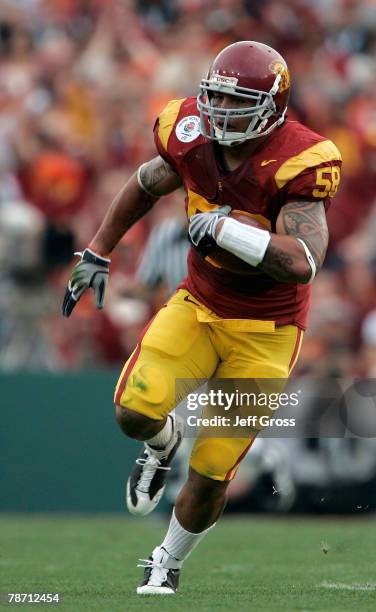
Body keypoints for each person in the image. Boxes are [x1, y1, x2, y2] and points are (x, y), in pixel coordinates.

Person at [62, 41, 342, 595]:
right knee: (133, 411)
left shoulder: (300, 159)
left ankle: (166, 559)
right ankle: (163, 442)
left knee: (213, 471)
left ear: (272, 106)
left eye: (236, 103)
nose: (218, 111)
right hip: (200, 304)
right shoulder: (188, 132)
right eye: (214, 96)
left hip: (268, 331)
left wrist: (226, 230)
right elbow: (147, 183)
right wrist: (98, 249)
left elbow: (304, 262)